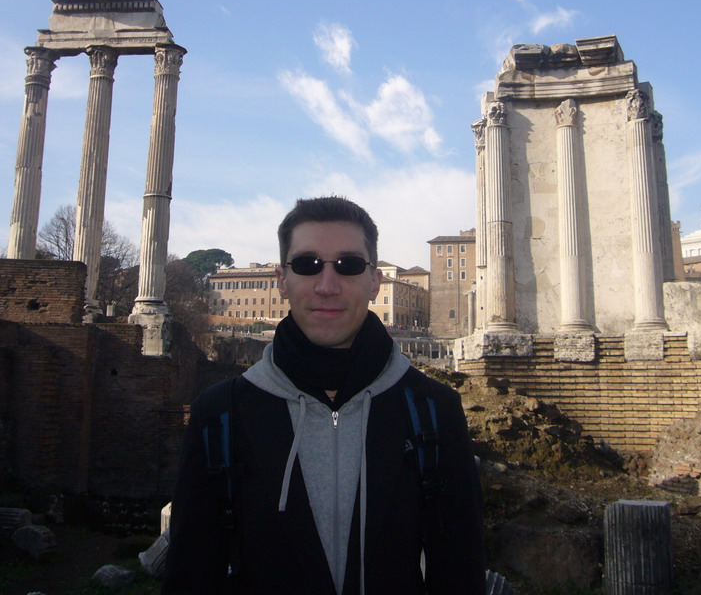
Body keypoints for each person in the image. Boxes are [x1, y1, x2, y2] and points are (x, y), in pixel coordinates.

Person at [162, 196, 486, 595]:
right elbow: (190, 575)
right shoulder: (218, 415)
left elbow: (460, 572)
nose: (327, 286)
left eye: (348, 265)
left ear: (374, 281)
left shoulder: (435, 410)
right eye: (307, 265)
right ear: (282, 280)